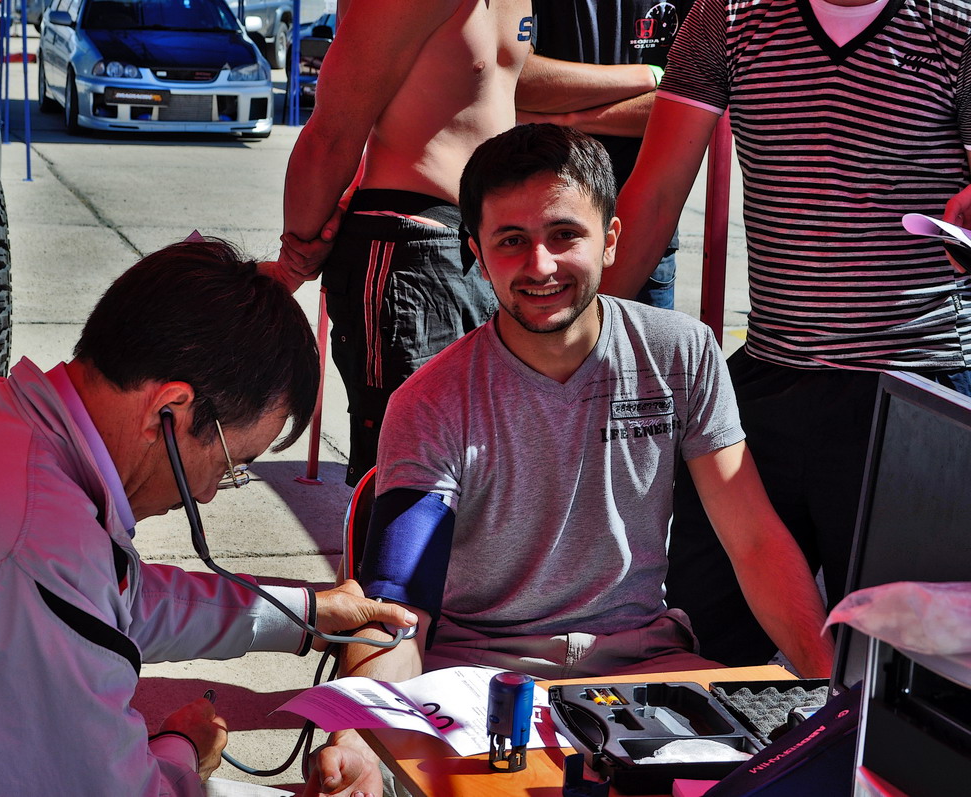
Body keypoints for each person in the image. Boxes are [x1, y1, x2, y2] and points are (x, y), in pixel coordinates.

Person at [306, 124, 834, 797]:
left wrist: (837, 691)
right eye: (510, 240)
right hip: (481, 684)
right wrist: (355, 736)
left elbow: (755, 541)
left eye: (564, 234)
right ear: (476, 252)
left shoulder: (682, 354)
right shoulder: (429, 400)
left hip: (645, 669)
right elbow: (399, 604)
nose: (540, 265)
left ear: (610, 239)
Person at [0, 240, 416, 796]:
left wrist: (304, 615)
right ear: (170, 410)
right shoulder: (35, 545)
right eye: (230, 464)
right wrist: (183, 749)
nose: (209, 494)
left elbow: (110, 602)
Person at [606, 0, 971, 666]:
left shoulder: (956, 20)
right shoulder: (726, 16)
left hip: (915, 389)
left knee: (897, 671)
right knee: (698, 643)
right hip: (769, 377)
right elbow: (655, 195)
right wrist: (566, 351)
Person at [265, 0, 534, 487]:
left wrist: (648, 79)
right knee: (407, 479)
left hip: (485, 249)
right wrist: (294, 259)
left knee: (476, 477)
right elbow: (332, 132)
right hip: (413, 250)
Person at [518, 0, 693, 309]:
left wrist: (567, 118)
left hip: (644, 234)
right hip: (544, 229)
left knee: (637, 340)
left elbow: (687, 106)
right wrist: (649, 75)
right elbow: (519, 81)